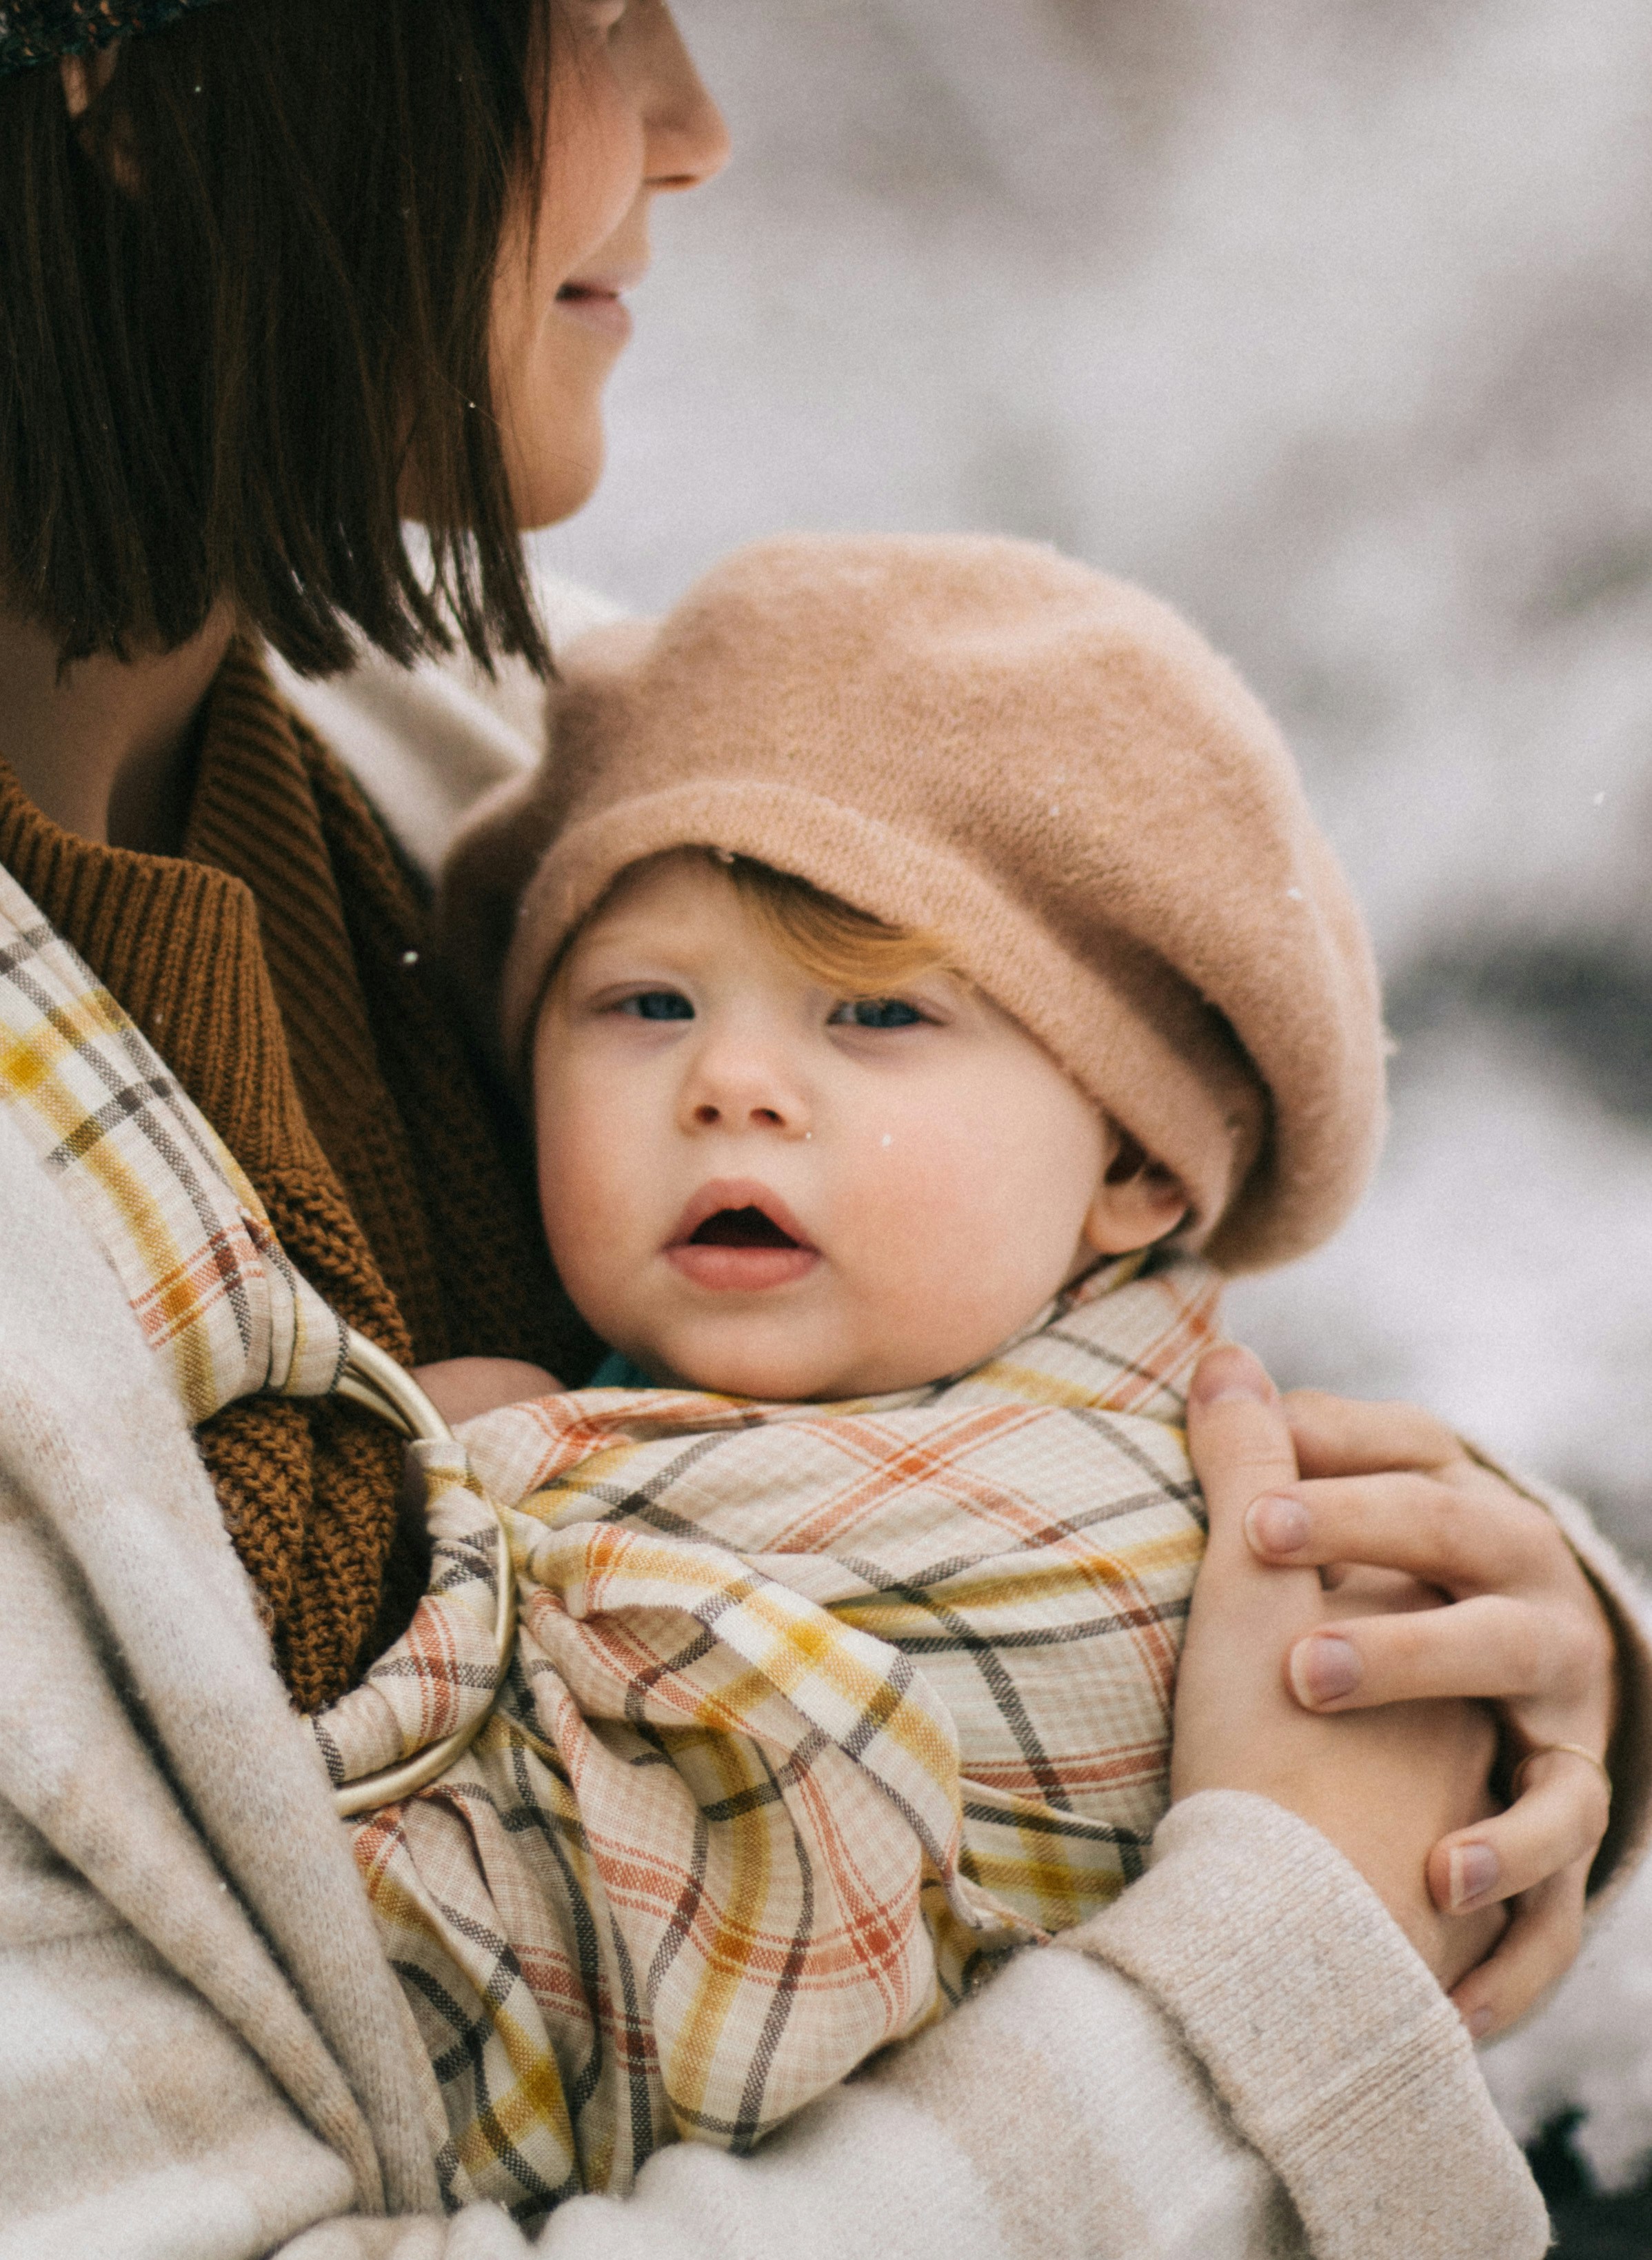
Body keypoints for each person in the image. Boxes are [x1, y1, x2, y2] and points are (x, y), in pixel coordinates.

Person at [0, 3, 1637, 2254]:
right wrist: (1273, 1987)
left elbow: (1091, 1387)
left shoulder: (567, 777)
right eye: (588, 16)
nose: (694, 125)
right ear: (113, 56)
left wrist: (1504, 1651)